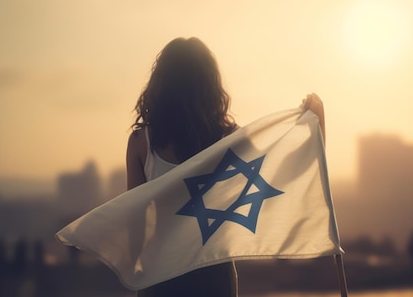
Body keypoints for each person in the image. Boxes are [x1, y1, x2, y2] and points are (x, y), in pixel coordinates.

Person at [126, 37, 325, 297]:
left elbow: (133, 224)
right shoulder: (232, 140)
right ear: (210, 85)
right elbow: (291, 176)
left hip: (160, 275)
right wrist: (317, 123)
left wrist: (137, 276)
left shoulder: (142, 142)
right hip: (214, 276)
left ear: (161, 84)